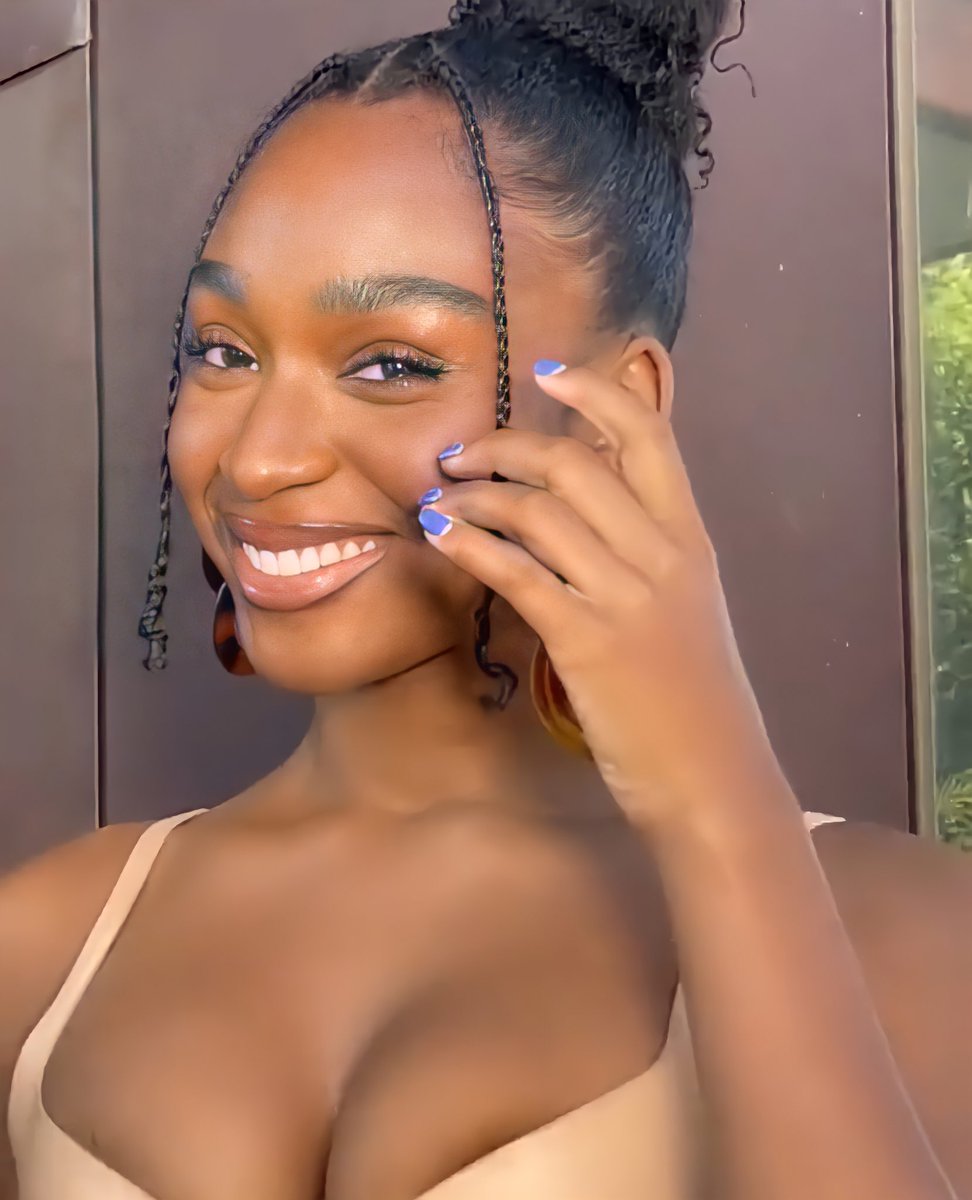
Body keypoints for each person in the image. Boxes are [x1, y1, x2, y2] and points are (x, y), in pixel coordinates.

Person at [2, 1, 970, 1197]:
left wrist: (719, 804)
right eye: (223, 351)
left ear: (615, 413)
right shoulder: (46, 948)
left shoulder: (902, 932)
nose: (256, 459)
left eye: (391, 365)